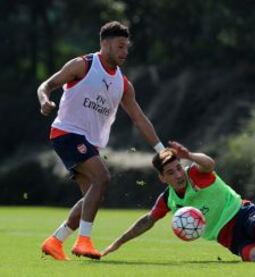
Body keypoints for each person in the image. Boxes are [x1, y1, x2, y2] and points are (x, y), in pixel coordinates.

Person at [37, 21, 165, 261]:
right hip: (66, 133)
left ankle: (55, 240)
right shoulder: (83, 65)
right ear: (104, 44)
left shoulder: (123, 84)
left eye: (127, 48)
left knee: (92, 198)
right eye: (120, 46)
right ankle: (83, 242)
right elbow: (46, 85)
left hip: (88, 143)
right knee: (102, 177)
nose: (125, 52)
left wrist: (161, 150)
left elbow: (139, 118)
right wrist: (44, 100)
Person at [101, 141, 255, 263]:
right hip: (226, 236)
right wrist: (116, 244)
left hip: (241, 213)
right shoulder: (168, 199)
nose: (177, 175)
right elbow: (146, 221)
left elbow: (209, 163)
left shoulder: (196, 173)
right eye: (171, 173)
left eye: (178, 168)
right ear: (162, 178)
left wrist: (189, 155)